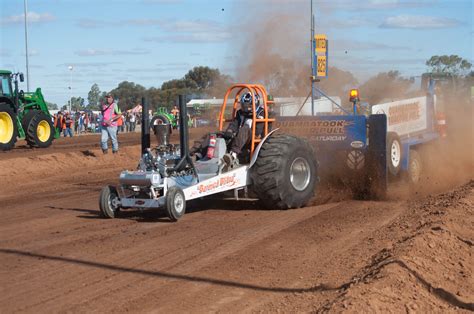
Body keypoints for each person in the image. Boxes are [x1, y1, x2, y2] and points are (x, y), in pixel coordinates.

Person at [190, 92, 267, 167]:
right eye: (244, 105)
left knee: (245, 128)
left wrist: (239, 132)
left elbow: (257, 132)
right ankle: (198, 154)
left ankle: (233, 155)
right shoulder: (240, 113)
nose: (245, 108)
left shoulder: (261, 113)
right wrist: (229, 131)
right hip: (238, 136)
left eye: (248, 106)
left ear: (254, 104)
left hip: (252, 138)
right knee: (214, 134)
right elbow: (234, 124)